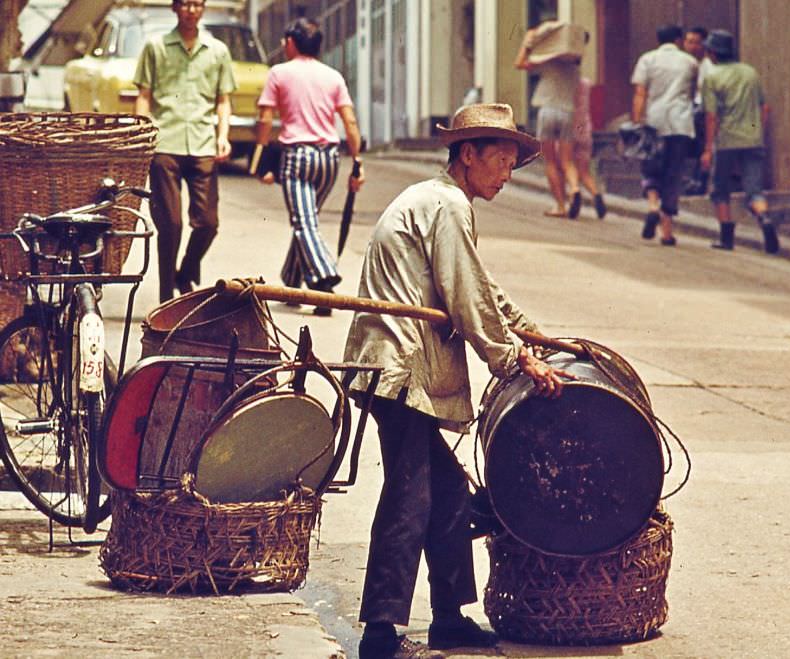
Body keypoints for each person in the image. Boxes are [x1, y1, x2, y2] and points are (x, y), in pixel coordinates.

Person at [343, 103, 572, 659]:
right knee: (410, 498)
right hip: (399, 368)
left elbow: (482, 287)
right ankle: (379, 629)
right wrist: (515, 358)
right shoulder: (445, 205)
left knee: (445, 494)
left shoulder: (443, 202)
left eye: (512, 165)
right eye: (498, 160)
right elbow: (466, 297)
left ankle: (449, 617)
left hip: (402, 369)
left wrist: (530, 333)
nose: (505, 174)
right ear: (467, 155)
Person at [256, 17, 364, 316]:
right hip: (329, 159)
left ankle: (323, 279)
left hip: (297, 157)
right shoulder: (334, 76)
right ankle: (292, 280)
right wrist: (357, 162)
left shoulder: (279, 72)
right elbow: (350, 122)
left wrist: (262, 159)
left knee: (304, 223)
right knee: (307, 218)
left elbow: (265, 120)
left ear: (291, 43)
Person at [134, 0, 236, 302]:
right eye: (186, 4)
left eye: (197, 4)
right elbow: (144, 95)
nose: (191, 10)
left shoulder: (217, 51)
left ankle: (186, 270)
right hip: (165, 143)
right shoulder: (156, 47)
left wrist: (223, 136)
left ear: (203, 8)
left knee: (208, 222)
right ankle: (166, 296)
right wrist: (145, 131)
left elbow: (223, 100)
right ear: (175, 8)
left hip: (203, 142)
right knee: (171, 224)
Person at [700, 29, 779, 254]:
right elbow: (764, 108)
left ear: (713, 52)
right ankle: (764, 218)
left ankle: (726, 237)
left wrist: (707, 149)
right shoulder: (750, 72)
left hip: (726, 139)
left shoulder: (712, 77)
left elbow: (711, 116)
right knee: (754, 190)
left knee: (719, 189)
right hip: (753, 139)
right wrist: (755, 131)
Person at [631, 24, 698, 246]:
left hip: (654, 122)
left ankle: (652, 207)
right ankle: (666, 233)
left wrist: (637, 120)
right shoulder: (690, 62)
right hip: (680, 124)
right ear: (678, 40)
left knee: (650, 168)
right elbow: (693, 92)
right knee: (673, 175)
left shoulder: (647, 59)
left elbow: (640, 93)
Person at [514, 22, 586, 219]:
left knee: (550, 161)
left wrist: (528, 43)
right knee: (567, 160)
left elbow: (519, 63)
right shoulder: (574, 68)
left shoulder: (547, 63)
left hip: (547, 112)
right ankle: (574, 188)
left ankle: (560, 206)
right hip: (567, 114)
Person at [570, 77, 606, 218]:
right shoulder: (586, 83)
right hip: (585, 128)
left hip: (570, 128)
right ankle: (596, 194)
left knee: (567, 164)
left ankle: (574, 192)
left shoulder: (568, 83)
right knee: (584, 171)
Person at [683, 26, 713, 196]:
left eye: (696, 43)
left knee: (703, 149)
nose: (692, 46)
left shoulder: (708, 66)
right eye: (689, 42)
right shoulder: (692, 64)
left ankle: (699, 181)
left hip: (704, 111)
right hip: (694, 109)